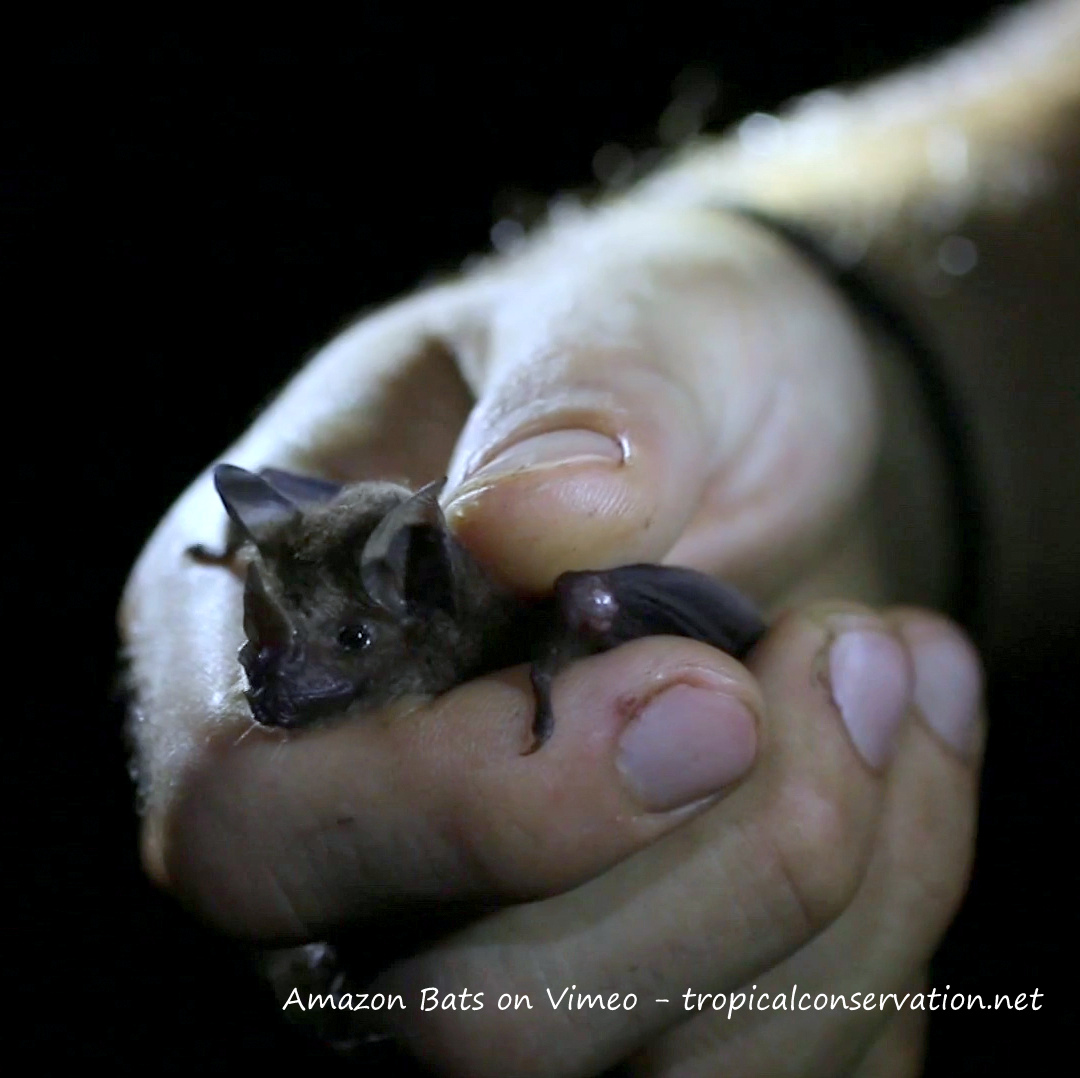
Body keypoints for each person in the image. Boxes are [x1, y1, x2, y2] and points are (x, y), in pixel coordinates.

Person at [120, 2, 1079, 1074]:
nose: (285, 684)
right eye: (285, 641)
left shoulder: (537, 599)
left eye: (343, 646)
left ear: (417, 605)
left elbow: (565, 598)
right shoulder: (345, 546)